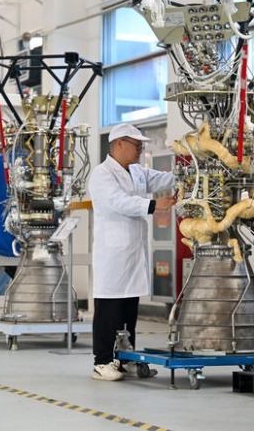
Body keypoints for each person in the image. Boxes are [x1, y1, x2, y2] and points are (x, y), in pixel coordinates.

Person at [88, 123, 176, 381]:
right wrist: (153, 205)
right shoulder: (102, 174)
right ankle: (102, 361)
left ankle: (125, 359)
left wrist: (187, 172)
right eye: (136, 145)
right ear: (119, 144)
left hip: (133, 252)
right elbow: (118, 202)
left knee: (129, 308)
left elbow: (161, 178)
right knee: (109, 309)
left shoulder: (137, 171)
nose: (140, 150)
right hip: (113, 255)